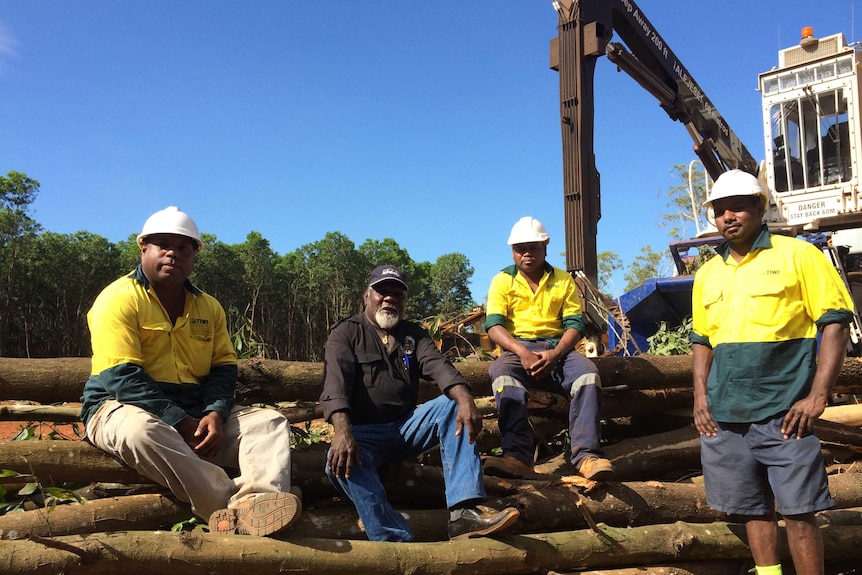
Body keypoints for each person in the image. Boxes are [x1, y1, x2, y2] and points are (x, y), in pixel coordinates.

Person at [81, 206, 300, 537]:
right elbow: (121, 377)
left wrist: (214, 412)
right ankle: (236, 511)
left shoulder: (208, 307)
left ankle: (261, 500)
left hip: (193, 413)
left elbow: (223, 368)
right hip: (118, 408)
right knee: (144, 431)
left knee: (268, 423)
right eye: (163, 245)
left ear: (194, 255)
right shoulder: (118, 299)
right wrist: (180, 422)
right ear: (144, 249)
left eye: (183, 247)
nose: (173, 253)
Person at [691, 170, 853, 575]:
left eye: (738, 207)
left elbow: (834, 321)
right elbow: (702, 342)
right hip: (726, 416)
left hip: (785, 413)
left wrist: (817, 396)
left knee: (800, 511)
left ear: (759, 208)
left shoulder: (798, 254)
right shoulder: (708, 274)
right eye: (719, 210)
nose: (728, 217)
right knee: (753, 511)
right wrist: (699, 399)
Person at [320, 265, 520, 542]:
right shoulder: (346, 333)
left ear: (404, 301)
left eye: (397, 294)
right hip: (363, 435)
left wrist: (464, 397)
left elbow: (439, 366)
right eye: (382, 292)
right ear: (367, 295)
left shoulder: (413, 335)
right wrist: (342, 432)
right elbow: (335, 385)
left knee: (452, 406)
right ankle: (395, 540)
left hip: (406, 428)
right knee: (338, 465)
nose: (390, 298)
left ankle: (463, 514)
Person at [483, 216, 613, 481]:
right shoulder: (502, 281)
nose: (527, 253)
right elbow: (494, 327)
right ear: (513, 251)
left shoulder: (563, 280)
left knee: (588, 374)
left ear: (545, 246)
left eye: (533, 247)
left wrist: (556, 354)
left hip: (558, 348)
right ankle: (517, 458)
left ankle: (586, 456)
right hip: (516, 349)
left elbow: (575, 324)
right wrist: (522, 352)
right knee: (504, 375)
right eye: (521, 248)